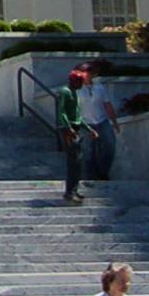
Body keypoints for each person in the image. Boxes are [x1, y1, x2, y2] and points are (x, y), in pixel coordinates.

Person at [56, 68, 90, 202]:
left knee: (78, 162)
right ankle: (69, 192)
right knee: (73, 161)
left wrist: (89, 129)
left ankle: (74, 190)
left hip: (75, 129)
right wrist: (68, 127)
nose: (81, 84)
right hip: (68, 131)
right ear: (73, 81)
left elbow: (77, 116)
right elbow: (61, 111)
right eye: (79, 81)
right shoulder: (65, 92)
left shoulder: (75, 93)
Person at [85, 68, 121, 182]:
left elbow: (107, 104)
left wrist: (114, 122)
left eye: (89, 72)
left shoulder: (99, 87)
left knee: (110, 145)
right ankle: (91, 176)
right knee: (88, 151)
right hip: (85, 123)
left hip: (101, 121)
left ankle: (103, 172)